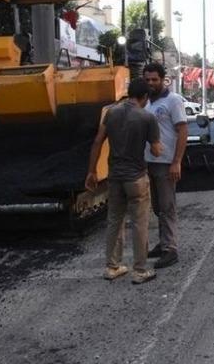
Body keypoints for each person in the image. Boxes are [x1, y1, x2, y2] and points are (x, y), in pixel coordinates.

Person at [85, 78, 163, 284]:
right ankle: (140, 270)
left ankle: (112, 267)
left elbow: (97, 142)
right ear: (145, 97)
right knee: (140, 223)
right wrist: (159, 145)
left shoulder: (111, 113)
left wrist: (91, 171)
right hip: (136, 178)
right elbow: (156, 151)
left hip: (115, 177)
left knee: (114, 220)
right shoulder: (147, 117)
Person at [142, 63, 188, 269]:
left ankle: (171, 249)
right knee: (158, 207)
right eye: (147, 80)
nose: (151, 83)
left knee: (167, 206)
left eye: (154, 79)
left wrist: (176, 161)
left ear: (163, 79)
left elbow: (183, 131)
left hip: (166, 163)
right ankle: (163, 243)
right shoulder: (145, 102)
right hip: (150, 163)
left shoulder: (173, 100)